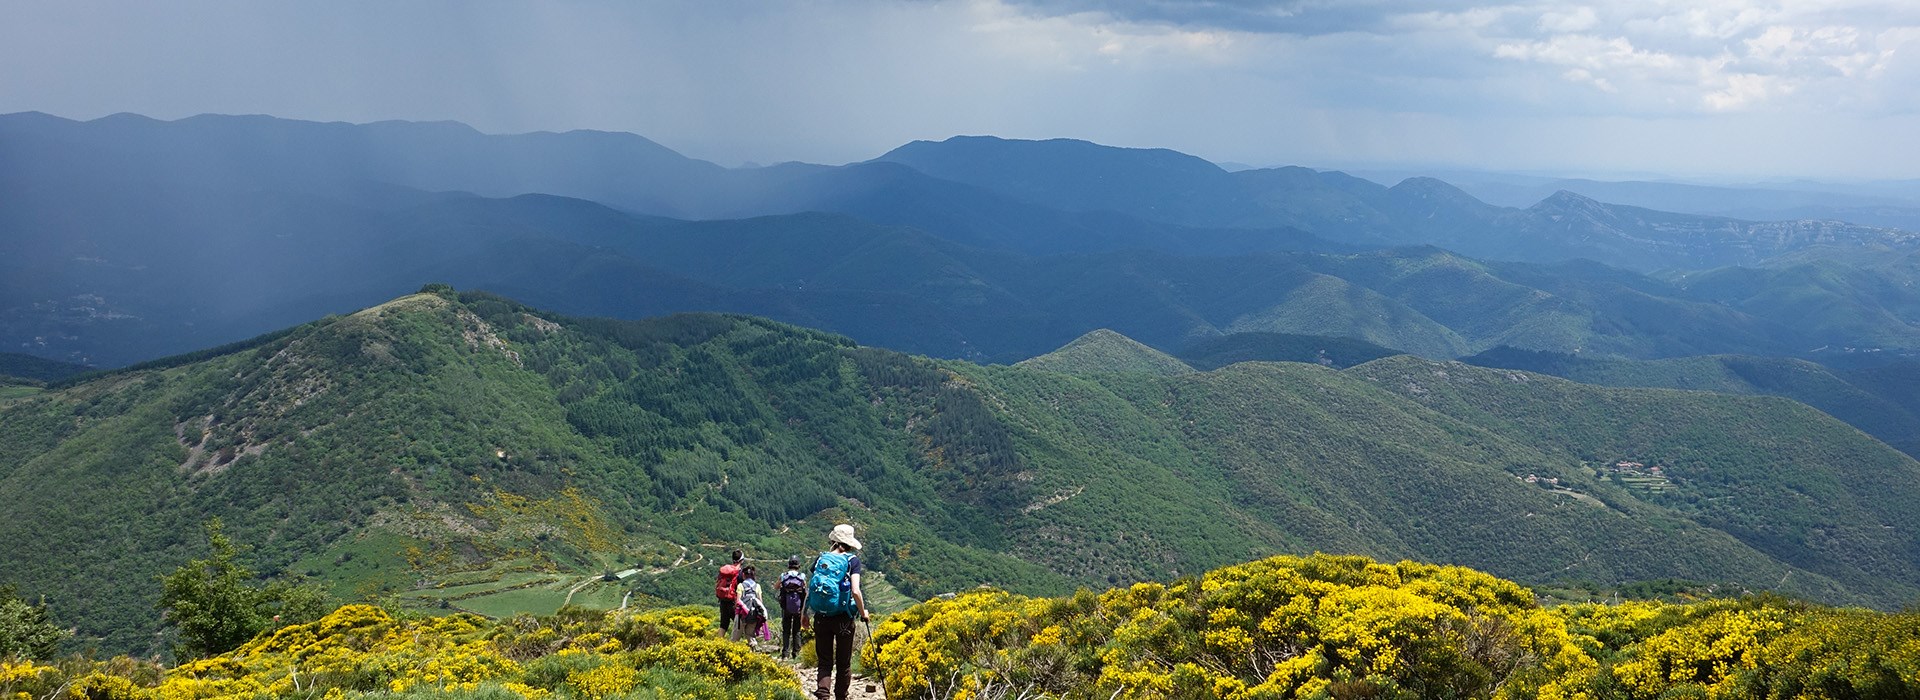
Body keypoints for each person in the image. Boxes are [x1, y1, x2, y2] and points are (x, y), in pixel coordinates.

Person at [808, 524, 868, 700]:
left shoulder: (821, 560)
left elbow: (811, 588)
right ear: (849, 543)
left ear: (833, 541)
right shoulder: (852, 561)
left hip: (821, 616)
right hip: (843, 617)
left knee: (824, 661)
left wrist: (805, 613)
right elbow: (856, 591)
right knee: (843, 663)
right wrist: (863, 612)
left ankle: (823, 695)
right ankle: (841, 696)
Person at [777, 555, 808, 659]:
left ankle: (785, 653)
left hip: (786, 607)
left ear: (789, 565)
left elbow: (776, 587)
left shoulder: (783, 576)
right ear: (798, 565)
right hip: (798, 608)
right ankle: (796, 653)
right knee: (797, 630)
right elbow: (806, 591)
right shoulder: (802, 576)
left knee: (786, 630)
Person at [733, 565, 769, 646]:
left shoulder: (741, 586)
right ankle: (754, 652)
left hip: (741, 615)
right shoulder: (757, 586)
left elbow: (738, 601)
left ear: (743, 575)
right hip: (753, 615)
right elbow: (760, 601)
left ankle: (732, 652)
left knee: (735, 637)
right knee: (750, 635)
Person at [715, 549, 744, 635]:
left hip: (723, 600)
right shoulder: (739, 573)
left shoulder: (725, 571)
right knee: (741, 623)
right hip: (733, 601)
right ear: (742, 560)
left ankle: (717, 644)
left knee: (723, 624)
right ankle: (745, 644)